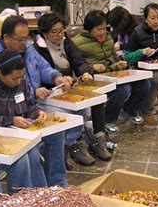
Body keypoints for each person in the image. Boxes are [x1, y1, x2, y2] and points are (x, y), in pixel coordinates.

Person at [0, 15, 73, 187]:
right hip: (5, 130)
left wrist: (37, 111)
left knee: (56, 131)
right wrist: (11, 120)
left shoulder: (26, 56)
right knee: (29, 152)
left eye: (27, 38)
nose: (25, 43)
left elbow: (31, 99)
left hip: (26, 119)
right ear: (6, 38)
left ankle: (57, 183)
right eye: (20, 39)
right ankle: (37, 193)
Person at [34, 12, 111, 164]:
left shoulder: (66, 41)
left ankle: (98, 136)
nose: (59, 35)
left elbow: (78, 61)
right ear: (44, 33)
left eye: (61, 30)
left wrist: (85, 72)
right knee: (70, 112)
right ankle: (71, 144)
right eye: (54, 32)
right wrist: (58, 80)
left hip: (68, 87)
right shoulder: (37, 50)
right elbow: (44, 74)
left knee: (94, 98)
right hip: (49, 92)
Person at [0, 50, 49, 192]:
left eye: (21, 77)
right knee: (21, 159)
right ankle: (22, 200)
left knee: (34, 153)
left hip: (21, 135)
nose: (18, 81)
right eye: (14, 78)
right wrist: (10, 121)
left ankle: (40, 195)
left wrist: (38, 112)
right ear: (0, 73)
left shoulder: (21, 82)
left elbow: (29, 105)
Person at [74, 10, 150, 132]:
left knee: (144, 84)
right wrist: (92, 67)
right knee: (123, 89)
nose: (103, 32)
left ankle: (129, 110)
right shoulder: (77, 42)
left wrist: (119, 63)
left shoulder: (108, 38)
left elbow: (114, 57)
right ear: (89, 29)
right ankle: (108, 120)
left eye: (105, 28)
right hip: (94, 78)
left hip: (112, 74)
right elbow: (77, 65)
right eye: (99, 29)